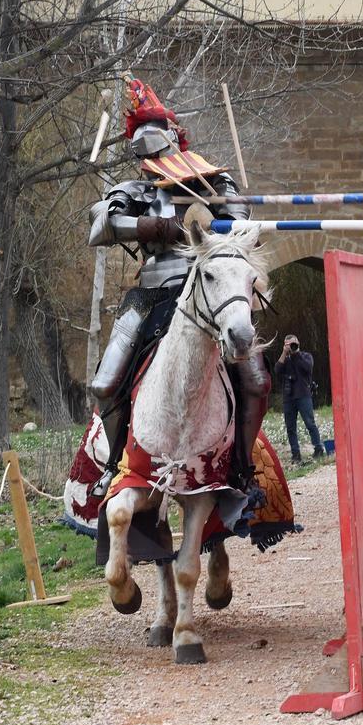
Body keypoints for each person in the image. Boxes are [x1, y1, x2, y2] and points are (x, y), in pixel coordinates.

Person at [84, 77, 267, 499]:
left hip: (212, 290)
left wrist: (225, 213)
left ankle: (241, 466)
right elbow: (99, 226)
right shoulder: (134, 190)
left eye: (159, 144)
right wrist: (151, 224)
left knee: (255, 379)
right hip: (153, 292)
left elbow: (242, 219)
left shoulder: (211, 180)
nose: (153, 155)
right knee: (107, 383)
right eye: (144, 149)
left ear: (175, 140)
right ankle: (116, 464)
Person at [275, 334, 324, 463]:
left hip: (303, 395)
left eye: (293, 344)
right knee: (290, 427)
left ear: (298, 343)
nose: (292, 346)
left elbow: (307, 368)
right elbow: (277, 370)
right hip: (288, 397)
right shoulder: (285, 359)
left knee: (310, 423)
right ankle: (295, 454)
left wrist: (296, 353)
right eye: (288, 344)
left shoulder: (306, 356)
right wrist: (284, 353)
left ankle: (318, 448)